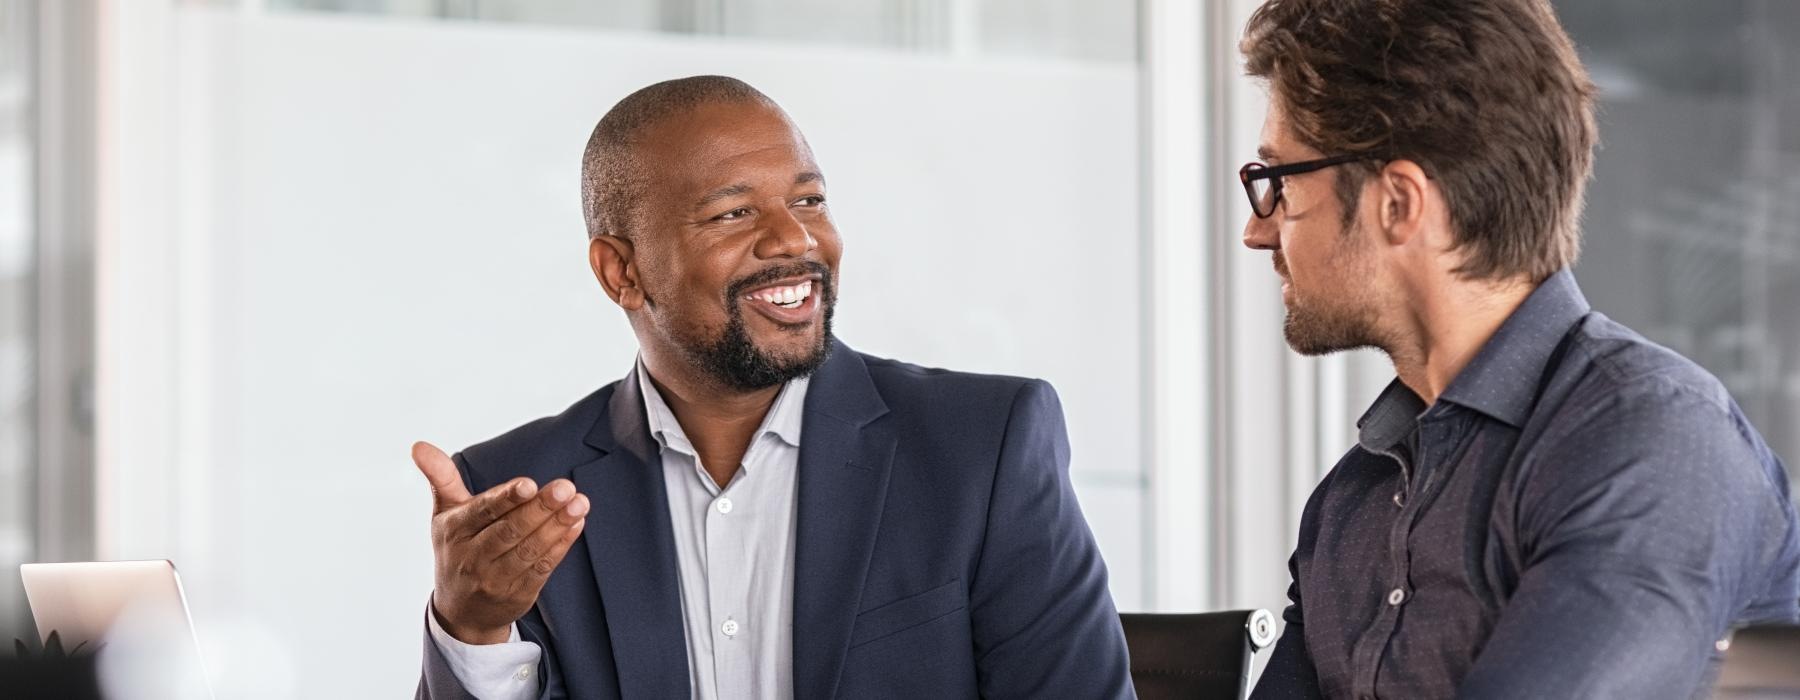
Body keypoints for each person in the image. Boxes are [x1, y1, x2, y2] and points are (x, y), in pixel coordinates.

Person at [409, 75, 1132, 700]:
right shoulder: (518, 494)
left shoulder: (983, 447)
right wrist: (472, 629)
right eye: (733, 213)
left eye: (810, 202)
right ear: (620, 272)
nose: (795, 239)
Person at [1235, 1, 1800, 697]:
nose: (1257, 234)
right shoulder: (1353, 500)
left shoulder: (1651, 441)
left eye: (1279, 186)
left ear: (1399, 204)